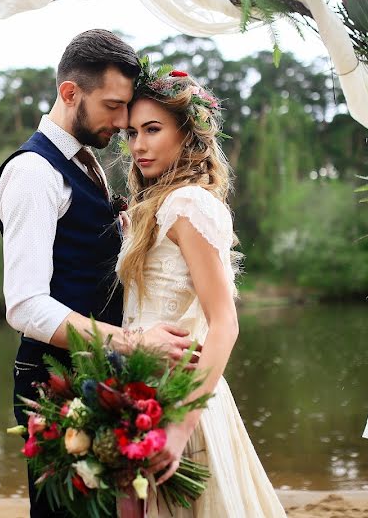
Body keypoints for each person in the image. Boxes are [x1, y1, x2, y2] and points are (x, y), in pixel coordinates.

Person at [0, 30, 198, 518]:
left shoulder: (85, 164)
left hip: (96, 377)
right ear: (70, 93)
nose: (123, 121)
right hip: (53, 384)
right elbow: (25, 306)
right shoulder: (33, 174)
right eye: (112, 106)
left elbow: (83, 256)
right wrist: (131, 342)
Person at [118, 65, 287, 517]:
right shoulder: (155, 207)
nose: (138, 145)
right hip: (134, 392)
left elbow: (224, 323)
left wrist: (177, 428)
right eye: (132, 132)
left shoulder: (188, 204)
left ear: (188, 134)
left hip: (176, 398)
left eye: (152, 130)